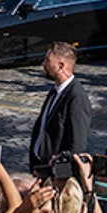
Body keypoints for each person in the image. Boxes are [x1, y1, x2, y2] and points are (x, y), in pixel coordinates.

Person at [29, 42, 92, 171]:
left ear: (61, 65)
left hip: (55, 174)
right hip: (40, 167)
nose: (43, 65)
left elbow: (77, 146)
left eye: (48, 60)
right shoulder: (55, 91)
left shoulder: (76, 98)